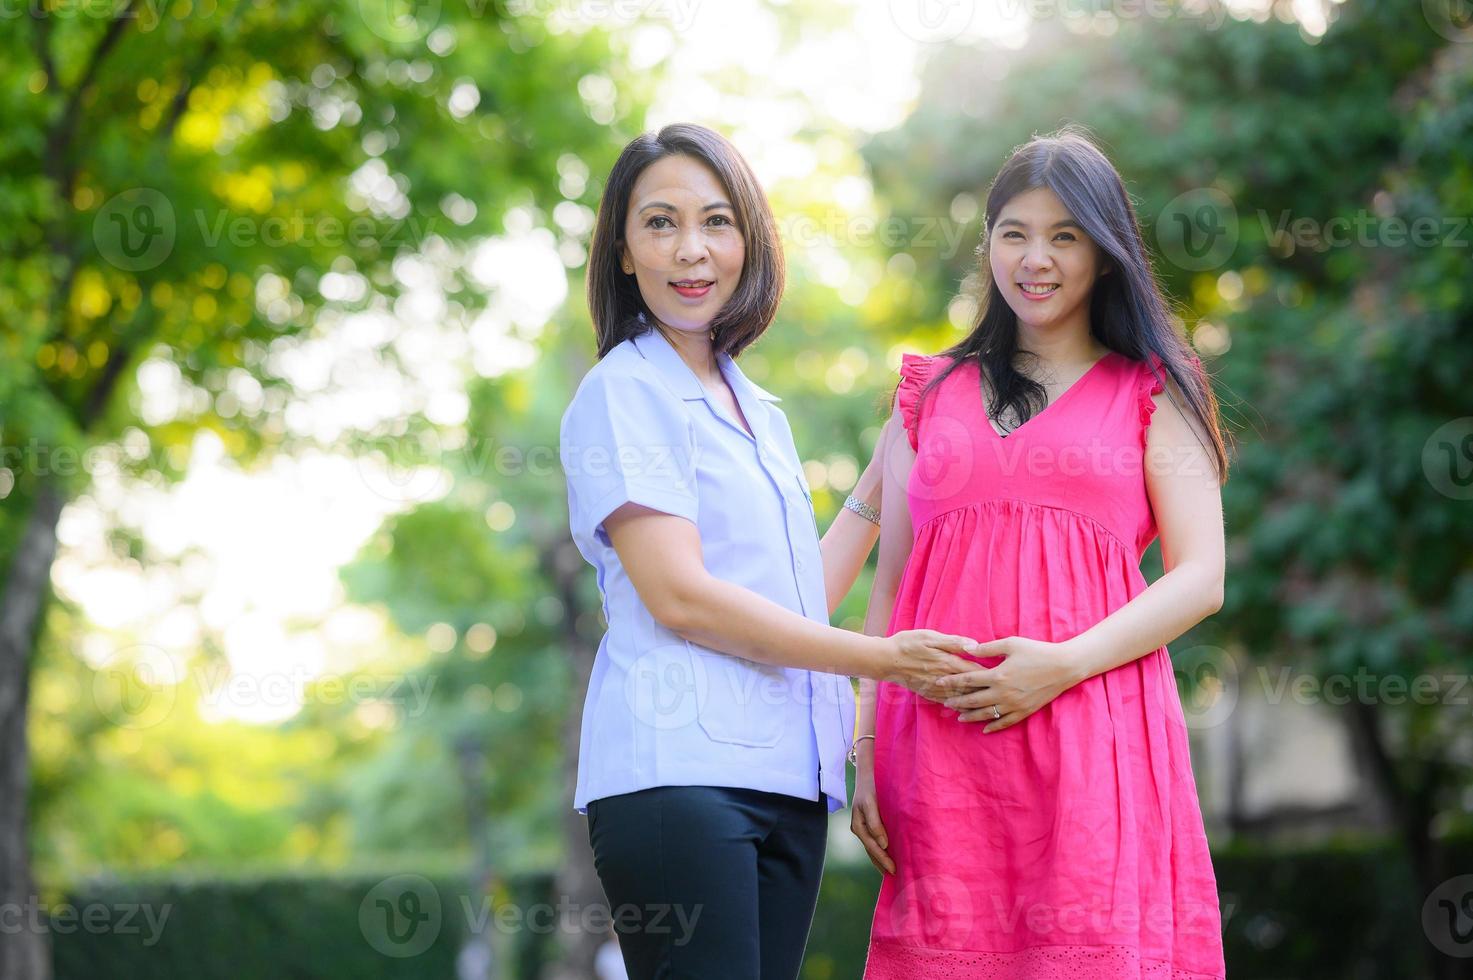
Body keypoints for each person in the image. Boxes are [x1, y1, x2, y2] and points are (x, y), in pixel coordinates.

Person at [559, 122, 984, 980]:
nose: (691, 250)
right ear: (622, 249)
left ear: (749, 241)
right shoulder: (623, 393)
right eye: (659, 223)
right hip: (677, 779)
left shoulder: (761, 410)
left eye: (716, 222)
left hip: (785, 784)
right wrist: (882, 660)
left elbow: (795, 606)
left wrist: (880, 470)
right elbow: (681, 597)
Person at [850, 127, 1231, 979]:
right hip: (941, 756)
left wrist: (1057, 666)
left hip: (1091, 739)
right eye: (1014, 232)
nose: (1036, 258)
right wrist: (864, 749)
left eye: (1065, 235)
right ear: (986, 243)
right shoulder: (927, 397)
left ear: (1104, 252)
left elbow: (1200, 578)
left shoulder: (1154, 390)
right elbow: (890, 593)